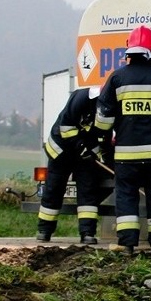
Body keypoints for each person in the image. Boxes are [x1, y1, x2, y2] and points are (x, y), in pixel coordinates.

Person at [93, 25, 151, 254]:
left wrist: (105, 148)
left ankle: (128, 245)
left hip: (126, 155)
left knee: (126, 197)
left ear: (128, 48)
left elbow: (103, 119)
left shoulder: (117, 78)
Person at [36, 86, 107, 244]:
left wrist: (99, 154)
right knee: (53, 190)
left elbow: (101, 134)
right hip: (61, 151)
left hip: (84, 154)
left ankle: (87, 233)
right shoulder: (81, 98)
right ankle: (44, 231)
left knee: (88, 191)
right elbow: (66, 127)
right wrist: (82, 147)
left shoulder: (107, 107)